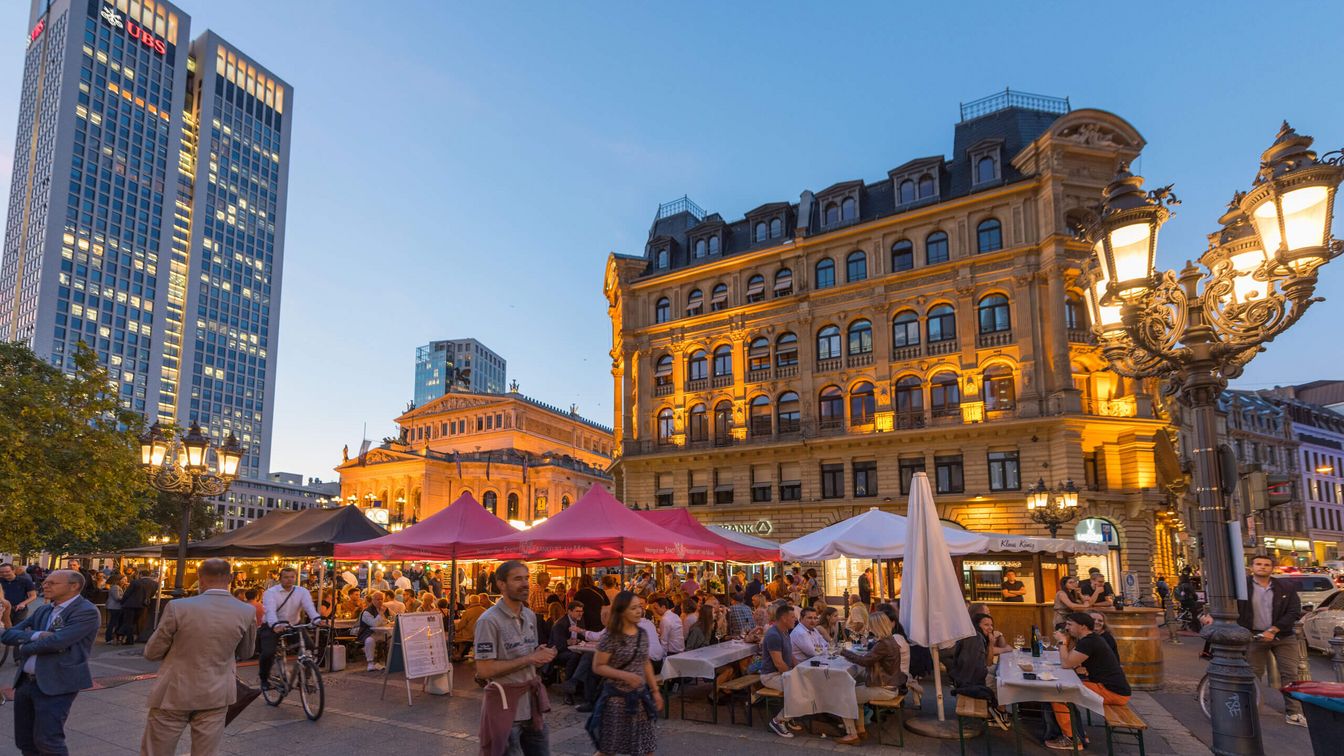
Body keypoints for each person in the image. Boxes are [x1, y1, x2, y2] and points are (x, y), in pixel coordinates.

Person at [140, 558, 257, 756]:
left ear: (200, 578)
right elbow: (246, 653)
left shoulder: (179, 607)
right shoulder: (246, 610)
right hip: (217, 692)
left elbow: (152, 652)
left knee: (157, 749)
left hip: (174, 692)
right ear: (230, 578)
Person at [2, 570, 100, 756]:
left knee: (48, 740)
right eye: (45, 582)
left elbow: (57, 642)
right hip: (26, 682)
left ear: (74, 586)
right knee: (25, 740)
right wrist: (36, 635)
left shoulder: (86, 611)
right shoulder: (44, 609)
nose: (44, 585)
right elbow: (8, 635)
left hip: (57, 683)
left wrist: (24, 648)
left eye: (52, 583)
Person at [474, 561, 556, 756]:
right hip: (505, 709)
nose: (525, 584)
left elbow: (528, 653)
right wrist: (530, 658)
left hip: (532, 708)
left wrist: (539, 653)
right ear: (501, 584)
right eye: (518, 579)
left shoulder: (529, 615)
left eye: (527, 578)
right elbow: (484, 670)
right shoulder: (488, 621)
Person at [587, 591, 662, 754]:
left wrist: (655, 690)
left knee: (647, 748)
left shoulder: (642, 633)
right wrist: (625, 675)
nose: (638, 611)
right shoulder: (610, 636)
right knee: (608, 750)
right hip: (616, 702)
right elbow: (598, 666)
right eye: (633, 608)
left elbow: (645, 661)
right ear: (621, 611)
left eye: (639, 607)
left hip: (640, 700)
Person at [1238, 553, 1306, 727]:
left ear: (1272, 568)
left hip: (1283, 636)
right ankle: (1250, 709)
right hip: (1255, 636)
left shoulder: (1285, 587)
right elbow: (1232, 607)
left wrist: (1274, 629)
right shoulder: (1242, 587)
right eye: (1258, 564)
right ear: (1251, 567)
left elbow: (1294, 611)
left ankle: (1294, 712)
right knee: (1253, 674)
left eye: (1266, 564)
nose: (1262, 567)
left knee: (1290, 674)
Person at [1047, 612, 1131, 749]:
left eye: (1070, 624)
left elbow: (1067, 663)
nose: (1067, 628)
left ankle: (1072, 739)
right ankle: (1078, 733)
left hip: (1113, 692)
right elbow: (1072, 662)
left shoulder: (1089, 642)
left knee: (1058, 693)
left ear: (1083, 627)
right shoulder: (1089, 639)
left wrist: (1062, 641)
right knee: (1063, 688)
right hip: (1108, 687)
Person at [836, 612, 907, 743]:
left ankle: (852, 734)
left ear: (877, 625)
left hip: (884, 688)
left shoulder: (883, 644)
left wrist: (843, 652)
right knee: (855, 691)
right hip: (890, 685)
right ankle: (860, 729)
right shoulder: (890, 640)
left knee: (844, 696)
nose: (868, 627)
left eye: (871, 624)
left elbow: (865, 661)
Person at [258, 566, 323, 690]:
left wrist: (316, 619)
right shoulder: (270, 593)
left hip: (294, 624)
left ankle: (303, 677)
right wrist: (275, 625)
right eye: (286, 577)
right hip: (272, 625)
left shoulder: (302, 592)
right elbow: (270, 611)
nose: (289, 580)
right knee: (268, 653)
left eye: (292, 577)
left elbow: (309, 607)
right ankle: (264, 678)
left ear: (296, 578)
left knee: (309, 647)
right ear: (280, 579)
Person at [760, 603, 804, 738]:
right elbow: (779, 664)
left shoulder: (784, 631)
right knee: (801, 690)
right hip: (770, 676)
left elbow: (790, 655)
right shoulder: (773, 635)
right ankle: (778, 721)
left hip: (781, 673)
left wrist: (799, 669)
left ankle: (789, 716)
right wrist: (794, 675)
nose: (795, 620)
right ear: (784, 618)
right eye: (793, 617)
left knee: (807, 684)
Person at [551, 602, 587, 703]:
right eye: (577, 611)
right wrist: (568, 642)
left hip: (575, 650)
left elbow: (583, 637)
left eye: (581, 611)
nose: (580, 614)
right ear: (569, 611)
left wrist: (577, 641)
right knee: (574, 657)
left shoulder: (580, 621)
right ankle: (568, 692)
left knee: (587, 657)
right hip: (559, 652)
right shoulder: (560, 624)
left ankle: (580, 688)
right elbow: (558, 645)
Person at [117, 569, 156, 644]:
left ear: (140, 574)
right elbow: (151, 595)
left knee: (128, 622)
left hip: (130, 605)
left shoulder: (135, 582)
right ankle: (132, 637)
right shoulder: (155, 583)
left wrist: (122, 602)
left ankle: (127, 638)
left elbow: (127, 594)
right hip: (143, 605)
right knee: (136, 622)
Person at [356, 591, 392, 671]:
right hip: (369, 633)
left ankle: (390, 661)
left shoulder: (385, 609)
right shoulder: (367, 612)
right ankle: (370, 663)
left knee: (393, 639)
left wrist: (389, 621)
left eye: (381, 599)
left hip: (382, 633)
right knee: (369, 641)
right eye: (377, 599)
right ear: (373, 600)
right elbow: (374, 624)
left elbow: (389, 619)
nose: (380, 601)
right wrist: (380, 614)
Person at [104, 573, 126, 644]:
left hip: (115, 607)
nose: (125, 581)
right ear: (119, 580)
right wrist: (125, 597)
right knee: (112, 623)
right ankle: (109, 638)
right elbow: (117, 598)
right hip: (114, 607)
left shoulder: (118, 587)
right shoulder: (115, 587)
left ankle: (111, 637)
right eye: (124, 580)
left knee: (113, 623)